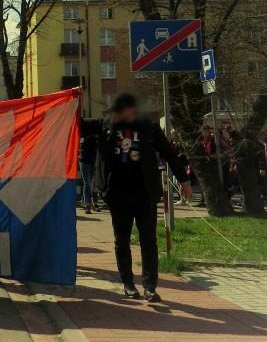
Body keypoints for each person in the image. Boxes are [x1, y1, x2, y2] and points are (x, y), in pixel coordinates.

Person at [82, 92, 191, 303]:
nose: (117, 115)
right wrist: (74, 99)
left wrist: (184, 181)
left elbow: (169, 153)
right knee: (121, 240)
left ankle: (150, 287)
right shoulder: (104, 125)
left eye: (121, 111)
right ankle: (128, 284)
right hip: (117, 193)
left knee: (148, 240)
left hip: (145, 193)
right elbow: (75, 124)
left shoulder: (149, 127)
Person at [79, 132, 98, 213]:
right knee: (87, 183)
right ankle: (87, 204)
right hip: (84, 160)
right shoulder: (82, 134)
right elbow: (80, 147)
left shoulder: (95, 135)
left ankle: (95, 203)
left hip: (94, 161)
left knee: (94, 183)